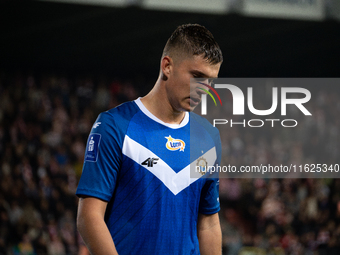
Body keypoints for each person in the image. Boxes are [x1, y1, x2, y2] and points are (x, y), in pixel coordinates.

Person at [76, 23, 223, 255]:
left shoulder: (208, 138)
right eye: (197, 76)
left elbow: (209, 224)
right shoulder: (114, 126)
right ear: (167, 66)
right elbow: (89, 216)